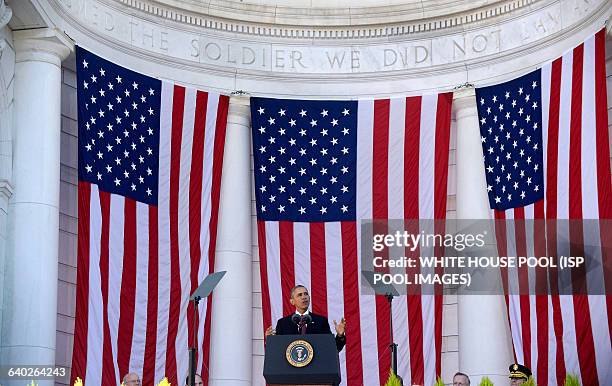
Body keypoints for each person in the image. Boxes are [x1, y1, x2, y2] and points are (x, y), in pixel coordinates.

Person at [265, 285, 346, 352]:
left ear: (309, 298)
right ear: (292, 301)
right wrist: (270, 341)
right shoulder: (283, 323)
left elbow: (333, 349)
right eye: (299, 295)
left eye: (305, 294)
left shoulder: (321, 321)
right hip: (290, 370)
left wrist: (340, 335)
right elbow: (276, 351)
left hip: (315, 369)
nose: (304, 297)